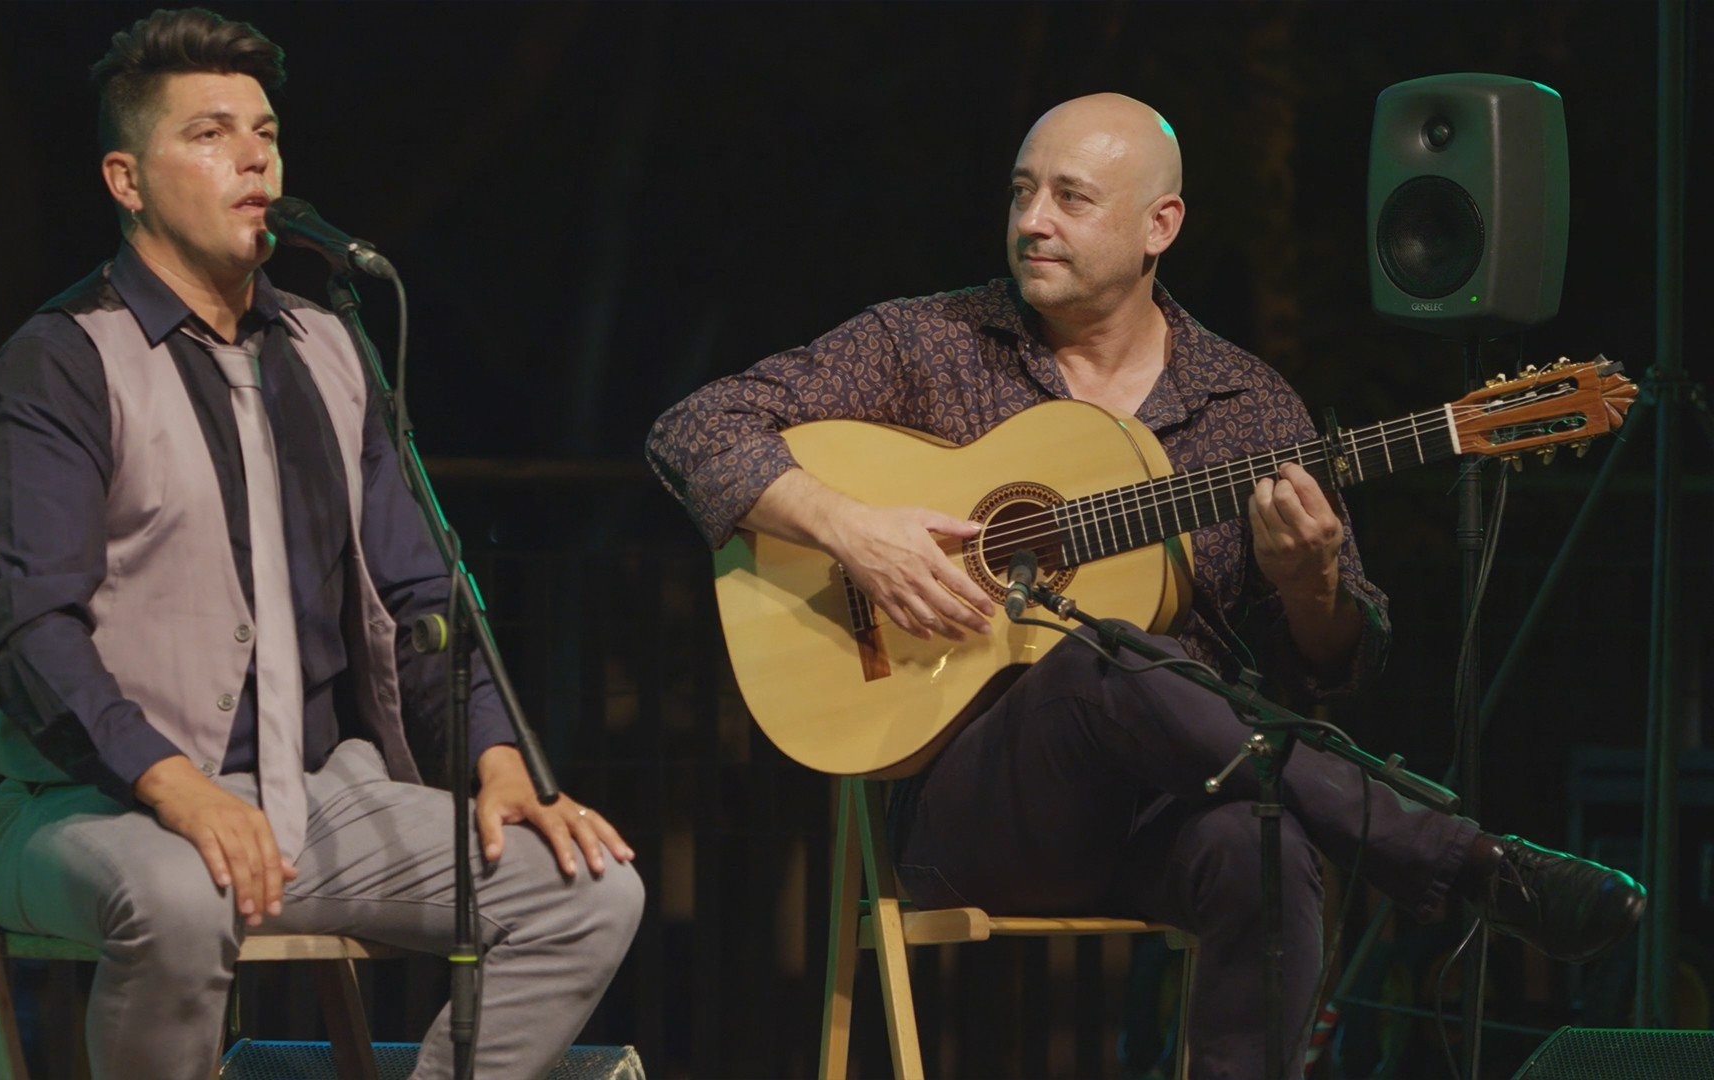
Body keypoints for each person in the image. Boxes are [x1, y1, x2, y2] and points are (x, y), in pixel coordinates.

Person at [645, 92, 1643, 1078]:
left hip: (1172, 812)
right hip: (980, 813)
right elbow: (691, 431)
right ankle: (1463, 860)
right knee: (1109, 656)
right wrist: (853, 530)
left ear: (1158, 225)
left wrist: (1311, 584)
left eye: (1071, 198)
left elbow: (1338, 662)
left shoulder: (1246, 403)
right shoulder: (926, 343)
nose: (1033, 221)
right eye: (1023, 192)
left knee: (1268, 850)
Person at [0, 9, 642, 1078]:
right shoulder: (61, 364)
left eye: (266, 133)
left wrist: (495, 755)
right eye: (210, 133)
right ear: (125, 180)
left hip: (316, 796)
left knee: (589, 888)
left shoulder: (330, 347)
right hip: (84, 808)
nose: (253, 158)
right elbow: (26, 634)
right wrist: (173, 784)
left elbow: (420, 589)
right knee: (186, 897)